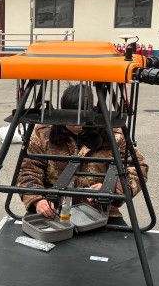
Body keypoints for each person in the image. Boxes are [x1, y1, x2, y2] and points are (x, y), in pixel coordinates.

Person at [17, 85, 148, 226]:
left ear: (92, 111)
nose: (76, 125)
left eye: (82, 118)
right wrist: (37, 200)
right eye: (71, 118)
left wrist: (111, 187)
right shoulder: (44, 133)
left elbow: (137, 169)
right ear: (62, 112)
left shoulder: (114, 135)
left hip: (101, 211)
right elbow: (28, 169)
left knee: (123, 238)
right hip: (54, 208)